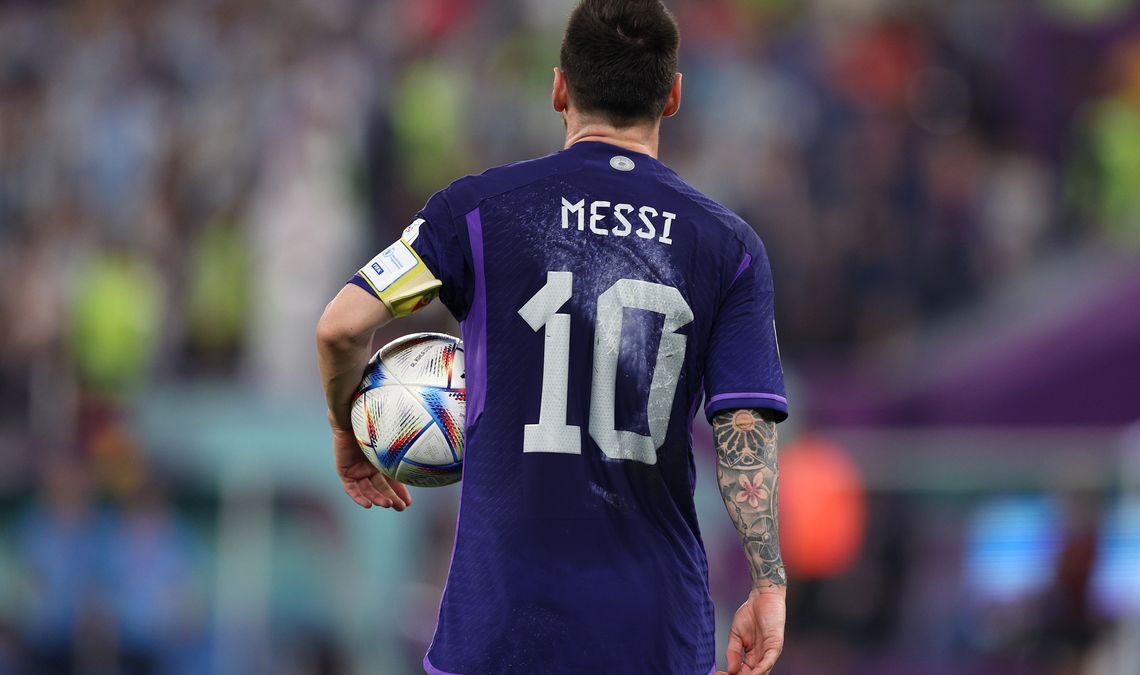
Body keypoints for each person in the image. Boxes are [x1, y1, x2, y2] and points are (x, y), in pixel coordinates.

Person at [316, 1, 787, 672]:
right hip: (653, 633)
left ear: (559, 87)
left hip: (499, 629)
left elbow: (339, 326)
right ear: (673, 96)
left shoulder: (477, 211)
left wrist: (347, 429)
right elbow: (747, 429)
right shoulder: (727, 246)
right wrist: (768, 581)